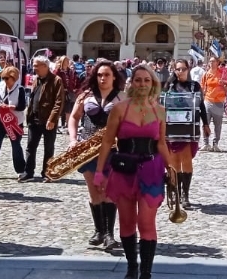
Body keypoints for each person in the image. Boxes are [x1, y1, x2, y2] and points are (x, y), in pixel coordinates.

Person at [94, 65, 177, 279]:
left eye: (146, 81)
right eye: (138, 80)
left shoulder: (160, 110)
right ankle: (132, 267)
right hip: (124, 169)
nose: (142, 84)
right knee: (127, 221)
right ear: (132, 83)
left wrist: (171, 167)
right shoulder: (120, 109)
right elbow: (107, 142)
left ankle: (146, 272)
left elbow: (160, 144)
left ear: (153, 84)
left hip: (151, 169)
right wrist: (99, 172)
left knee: (146, 222)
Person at [68, 59, 125, 249]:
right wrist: (73, 139)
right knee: (94, 190)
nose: (103, 78)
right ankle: (99, 231)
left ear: (114, 76)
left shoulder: (121, 97)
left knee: (107, 190)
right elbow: (74, 118)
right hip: (87, 149)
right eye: (99, 75)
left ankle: (109, 234)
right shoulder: (85, 96)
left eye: (107, 74)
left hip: (112, 150)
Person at [161, 59, 210, 210]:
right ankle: (175, 192)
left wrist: (206, 124)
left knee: (186, 161)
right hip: (172, 130)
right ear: (174, 70)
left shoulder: (194, 86)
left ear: (188, 70)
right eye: (178, 69)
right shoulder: (168, 86)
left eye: (183, 69)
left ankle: (185, 195)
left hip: (189, 130)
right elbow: (161, 106)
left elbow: (201, 106)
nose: (180, 72)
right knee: (174, 163)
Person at [20, 56, 65, 182]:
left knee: (48, 147)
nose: (34, 68)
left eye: (36, 65)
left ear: (45, 66)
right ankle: (28, 172)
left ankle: (47, 172)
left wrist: (52, 119)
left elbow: (59, 102)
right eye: (34, 65)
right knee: (30, 146)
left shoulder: (56, 80)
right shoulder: (36, 79)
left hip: (48, 120)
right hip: (34, 119)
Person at [0, 66, 27, 179]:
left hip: (15, 121)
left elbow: (22, 106)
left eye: (7, 78)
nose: (5, 81)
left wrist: (10, 107)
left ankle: (21, 170)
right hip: (1, 120)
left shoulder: (20, 89)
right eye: (4, 78)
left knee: (16, 145)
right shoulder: (1, 86)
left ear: (14, 78)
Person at [200, 56, 227, 152]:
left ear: (217, 63)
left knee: (218, 125)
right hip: (207, 101)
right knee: (205, 123)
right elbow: (202, 88)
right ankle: (206, 143)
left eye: (213, 61)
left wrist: (223, 84)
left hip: (219, 102)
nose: (211, 63)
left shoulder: (222, 74)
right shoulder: (206, 74)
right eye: (210, 61)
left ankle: (215, 143)